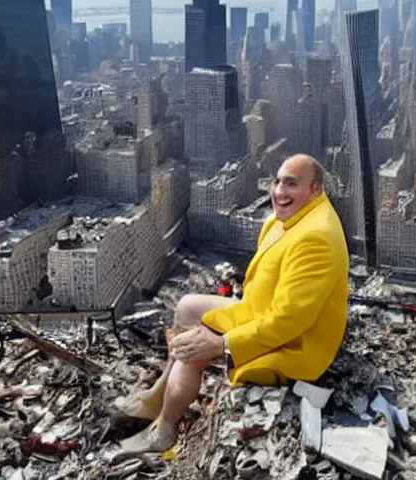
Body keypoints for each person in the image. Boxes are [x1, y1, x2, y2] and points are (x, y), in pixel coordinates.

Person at [114, 154, 349, 453]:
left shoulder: (316, 238)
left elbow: (289, 322)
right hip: (263, 315)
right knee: (187, 307)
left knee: (194, 345)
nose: (279, 191)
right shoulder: (295, 217)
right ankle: (159, 396)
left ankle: (165, 428)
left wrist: (223, 344)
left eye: (291, 184)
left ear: (316, 189)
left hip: (297, 345)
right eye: (277, 182)